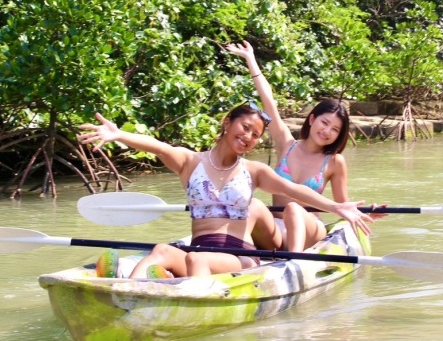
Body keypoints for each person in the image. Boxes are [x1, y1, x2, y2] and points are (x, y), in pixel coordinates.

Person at [78, 104, 374, 278]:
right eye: (244, 128)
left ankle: (186, 305)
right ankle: (128, 292)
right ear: (227, 123)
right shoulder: (190, 162)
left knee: (197, 260)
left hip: (240, 257)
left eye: (255, 135)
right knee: (162, 251)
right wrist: (118, 135)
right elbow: (157, 145)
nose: (248, 137)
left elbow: (293, 189)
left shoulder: (254, 171)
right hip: (200, 249)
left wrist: (337, 208)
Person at [225, 40, 362, 252]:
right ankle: (230, 252)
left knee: (294, 209)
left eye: (335, 129)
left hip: (309, 228)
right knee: (253, 206)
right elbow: (268, 101)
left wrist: (364, 213)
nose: (327, 131)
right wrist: (250, 59)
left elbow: (343, 205)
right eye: (324, 123)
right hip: (277, 228)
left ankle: (295, 261)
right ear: (312, 119)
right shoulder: (286, 144)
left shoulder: (335, 162)